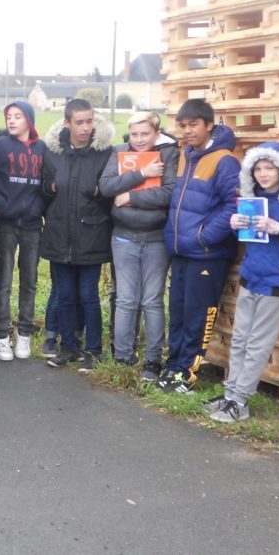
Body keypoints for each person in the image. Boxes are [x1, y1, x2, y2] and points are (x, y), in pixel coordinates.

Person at [205, 143, 279, 422]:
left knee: (258, 344)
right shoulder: (251, 199)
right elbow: (249, 240)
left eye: (269, 167)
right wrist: (234, 225)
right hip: (252, 277)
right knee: (240, 340)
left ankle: (241, 402)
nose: (263, 174)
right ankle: (231, 394)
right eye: (257, 168)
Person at [159, 98, 240, 393]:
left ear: (209, 125)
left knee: (198, 316)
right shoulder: (185, 155)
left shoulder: (224, 161)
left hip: (207, 254)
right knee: (178, 312)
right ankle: (174, 367)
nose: (187, 131)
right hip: (181, 252)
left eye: (193, 125)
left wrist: (204, 236)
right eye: (182, 125)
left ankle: (187, 375)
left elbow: (235, 206)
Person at [99, 112, 179, 382]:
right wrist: (141, 174)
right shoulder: (119, 153)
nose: (140, 139)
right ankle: (123, 356)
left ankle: (153, 360)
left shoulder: (168, 154)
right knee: (125, 299)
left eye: (145, 134)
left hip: (156, 238)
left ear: (156, 133)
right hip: (123, 236)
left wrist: (130, 197)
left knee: (152, 300)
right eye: (135, 134)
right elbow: (107, 186)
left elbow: (169, 193)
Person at [41, 99, 115, 371]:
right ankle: (68, 346)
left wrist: (98, 192)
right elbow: (42, 189)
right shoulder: (53, 152)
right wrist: (49, 186)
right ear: (67, 123)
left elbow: (110, 193)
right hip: (60, 235)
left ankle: (93, 350)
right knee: (66, 296)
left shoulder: (104, 153)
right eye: (80, 122)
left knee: (88, 295)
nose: (86, 128)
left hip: (91, 235)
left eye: (90, 121)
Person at [0, 100, 47, 360]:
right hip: (5, 224)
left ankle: (24, 335)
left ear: (29, 120)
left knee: (29, 282)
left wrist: (38, 207)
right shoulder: (0, 146)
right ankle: (1, 336)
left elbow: (46, 182)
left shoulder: (42, 149)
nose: (11, 120)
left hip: (31, 225)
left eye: (17, 116)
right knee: (3, 282)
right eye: (8, 116)